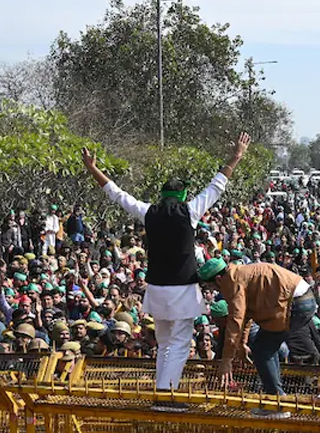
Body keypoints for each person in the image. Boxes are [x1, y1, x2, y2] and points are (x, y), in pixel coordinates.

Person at [80, 132, 250, 412]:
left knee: (164, 344)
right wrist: (236, 156)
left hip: (157, 291)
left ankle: (163, 394)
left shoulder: (149, 212)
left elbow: (117, 194)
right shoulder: (190, 211)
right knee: (180, 345)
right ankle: (166, 398)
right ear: (182, 195)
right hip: (182, 291)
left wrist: (92, 168)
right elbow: (217, 186)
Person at [198, 258, 314, 419]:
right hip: (301, 300)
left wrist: (226, 360)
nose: (216, 292)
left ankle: (277, 403)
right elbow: (246, 315)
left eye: (212, 287)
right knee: (264, 347)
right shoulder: (239, 274)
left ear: (218, 279)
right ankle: (276, 398)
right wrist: (243, 343)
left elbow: (236, 320)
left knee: (262, 349)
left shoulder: (233, 282)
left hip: (295, 303)